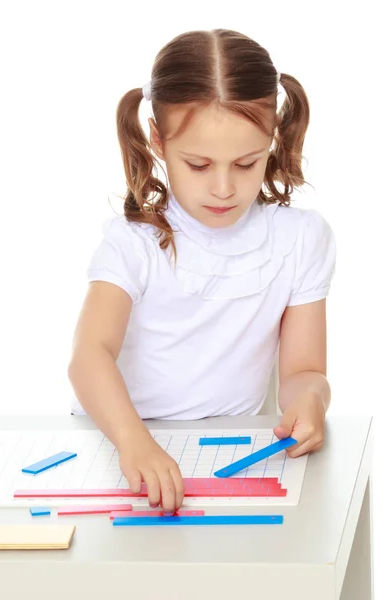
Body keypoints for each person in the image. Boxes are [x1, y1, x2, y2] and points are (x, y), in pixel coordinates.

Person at [67, 29, 336, 515]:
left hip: (229, 454)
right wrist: (134, 440)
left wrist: (311, 401)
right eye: (197, 164)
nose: (223, 188)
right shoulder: (134, 243)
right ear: (157, 140)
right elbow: (89, 354)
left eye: (247, 163)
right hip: (118, 444)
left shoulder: (300, 240)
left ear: (272, 137)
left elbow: (303, 370)